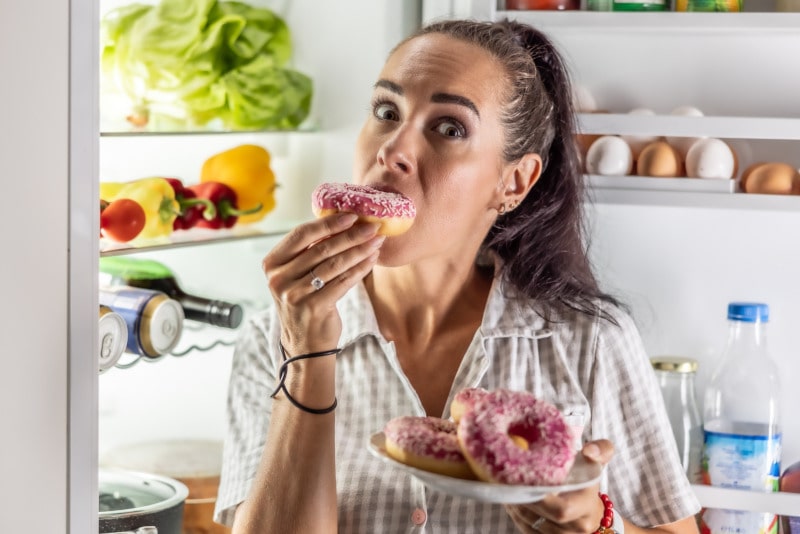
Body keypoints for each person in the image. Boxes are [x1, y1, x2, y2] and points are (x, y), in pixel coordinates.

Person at [213, 17, 701, 534]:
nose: (392, 150)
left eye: (449, 128)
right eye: (386, 111)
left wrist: (598, 526)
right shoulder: (272, 339)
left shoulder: (591, 341)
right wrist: (307, 354)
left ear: (513, 181)